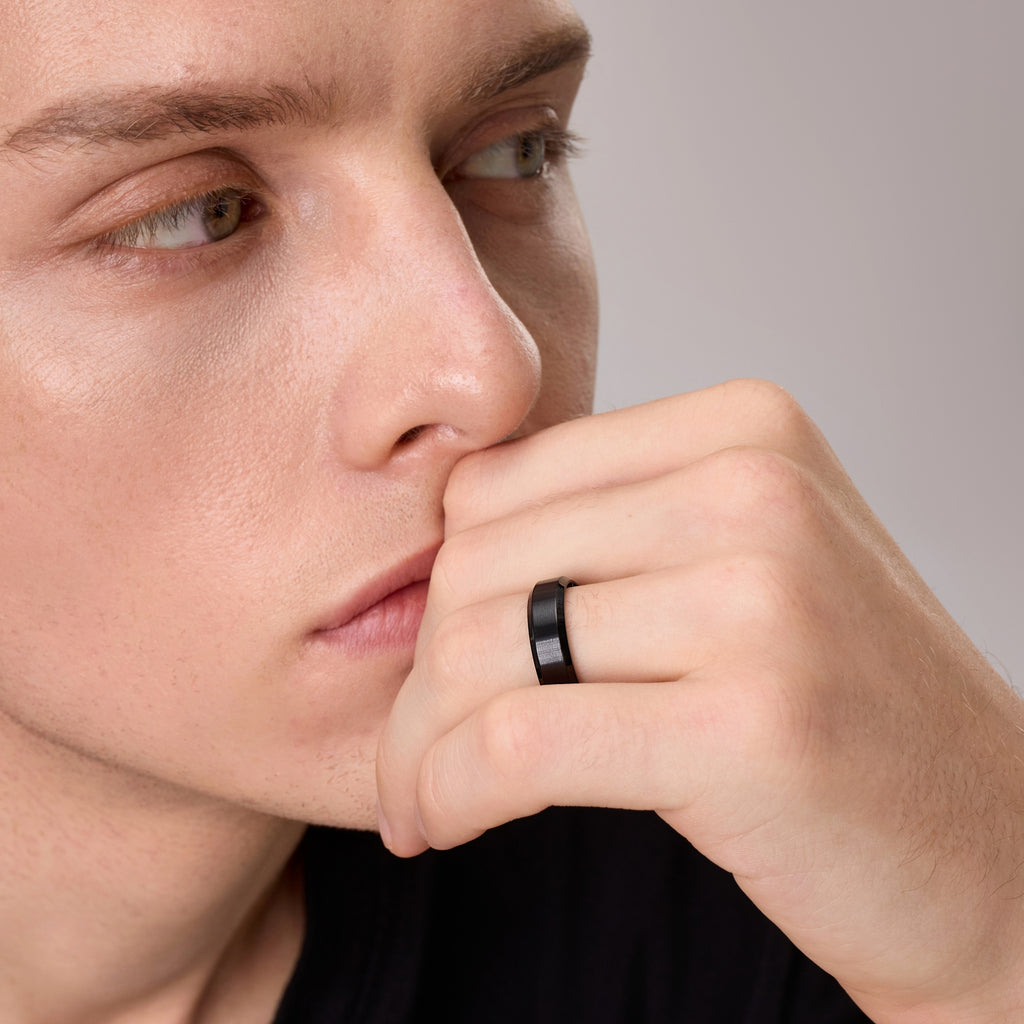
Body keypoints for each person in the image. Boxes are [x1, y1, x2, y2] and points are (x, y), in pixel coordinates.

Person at [0, 0, 1020, 1021]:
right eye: (195, 213)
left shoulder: (793, 873)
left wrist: (994, 929)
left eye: (513, 152)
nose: (490, 366)